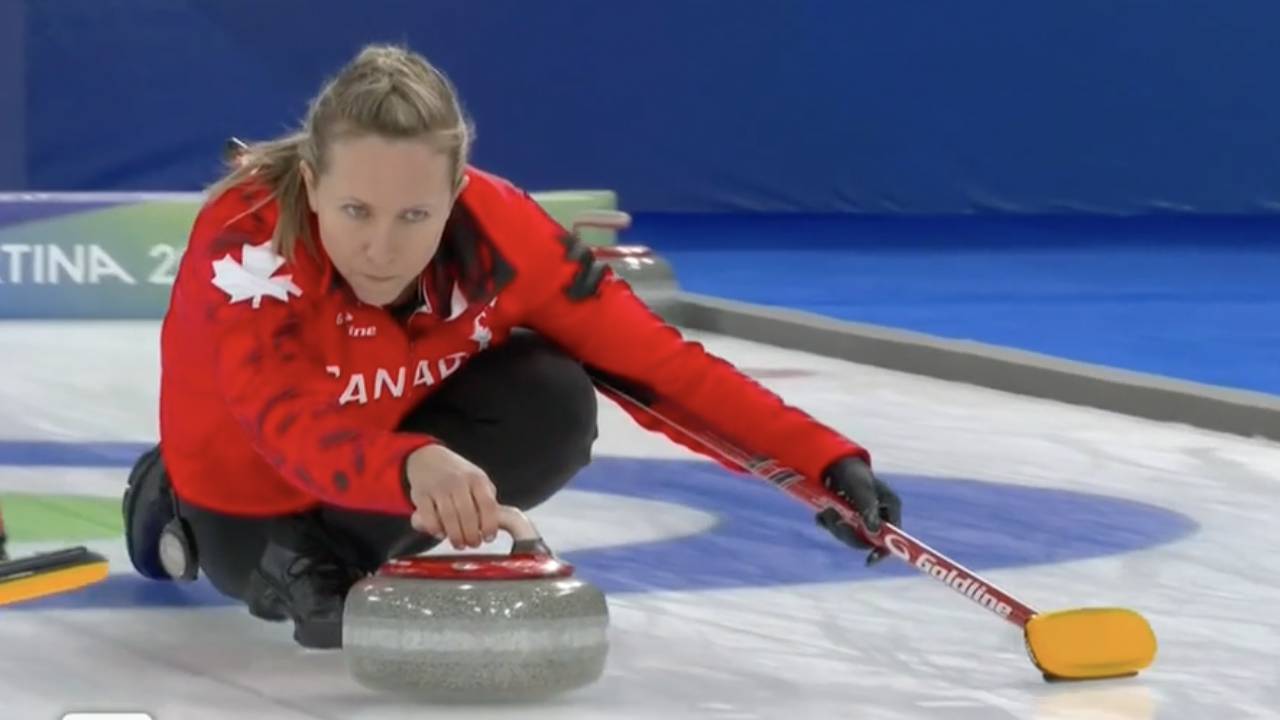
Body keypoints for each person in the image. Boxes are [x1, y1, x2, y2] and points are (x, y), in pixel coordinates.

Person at [122, 43, 902, 649]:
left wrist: (822, 462)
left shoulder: (509, 233)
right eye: (355, 210)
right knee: (251, 552)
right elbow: (282, 422)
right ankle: (175, 505)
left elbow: (660, 367)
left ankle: (329, 552)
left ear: (457, 193)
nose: (382, 250)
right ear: (313, 183)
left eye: (414, 217)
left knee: (553, 395)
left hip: (377, 452)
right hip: (248, 476)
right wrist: (410, 463)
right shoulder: (245, 243)